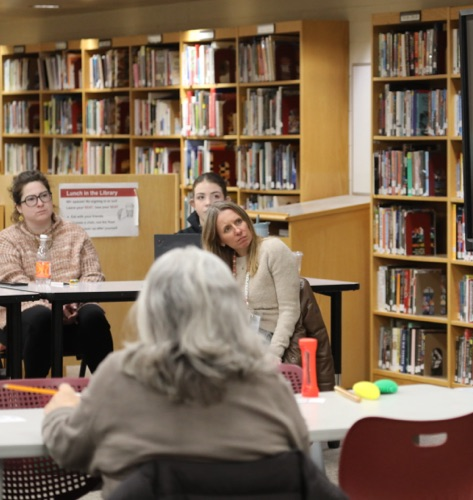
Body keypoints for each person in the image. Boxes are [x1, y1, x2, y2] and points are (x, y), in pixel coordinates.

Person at [42, 247, 314, 497]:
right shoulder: (265, 379)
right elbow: (299, 448)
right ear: (231, 309)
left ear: (151, 309)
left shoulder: (120, 374)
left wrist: (61, 411)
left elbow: (69, 450)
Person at [0, 170, 113, 377]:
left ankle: (107, 390)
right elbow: (14, 281)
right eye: (31, 199)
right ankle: (33, 394)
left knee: (94, 315)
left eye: (44, 196)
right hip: (25, 319)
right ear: (19, 207)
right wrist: (54, 307)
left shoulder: (75, 233)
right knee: (41, 317)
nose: (40, 203)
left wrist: (74, 303)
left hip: (72, 313)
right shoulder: (7, 239)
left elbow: (93, 275)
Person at [202, 201, 300, 360]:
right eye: (227, 229)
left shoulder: (272, 249)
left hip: (269, 337)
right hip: (239, 337)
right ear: (220, 240)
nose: (238, 231)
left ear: (247, 221)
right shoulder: (224, 264)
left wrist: (274, 354)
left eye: (238, 221)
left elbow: (290, 309)